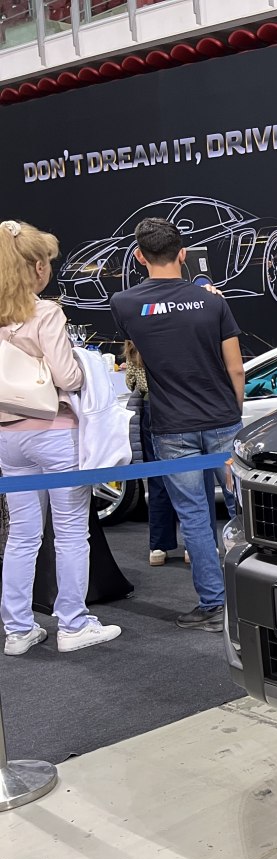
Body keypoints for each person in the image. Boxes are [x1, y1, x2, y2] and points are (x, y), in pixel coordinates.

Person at [109, 218, 245, 633]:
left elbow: (138, 346)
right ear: (183, 254)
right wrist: (233, 414)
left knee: (195, 519)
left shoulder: (125, 304)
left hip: (171, 426)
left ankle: (213, 605)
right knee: (245, 511)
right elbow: (236, 369)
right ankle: (257, 602)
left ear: (138, 256)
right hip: (223, 420)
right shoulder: (212, 301)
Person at [0, 219, 121, 654]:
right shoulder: (46, 313)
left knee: (21, 535)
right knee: (71, 532)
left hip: (8, 439)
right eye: (46, 262)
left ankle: (17, 630)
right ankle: (72, 623)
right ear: (34, 267)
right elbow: (68, 376)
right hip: (54, 434)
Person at [122, 340, 185, 568]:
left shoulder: (135, 340)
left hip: (151, 409)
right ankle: (192, 545)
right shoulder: (175, 335)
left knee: (158, 480)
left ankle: (158, 547)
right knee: (190, 478)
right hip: (180, 408)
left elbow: (131, 382)